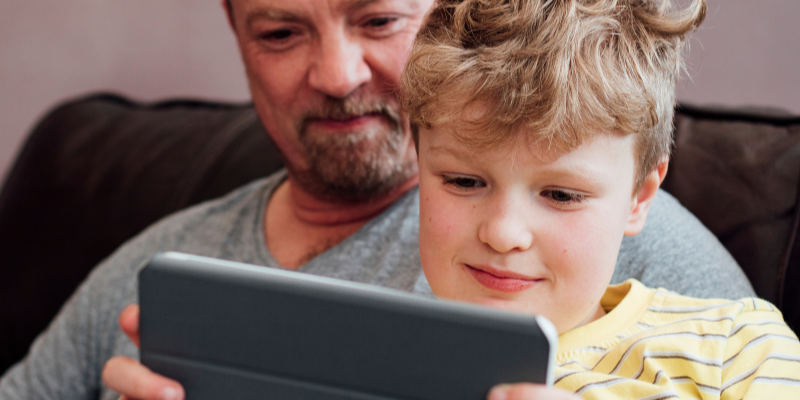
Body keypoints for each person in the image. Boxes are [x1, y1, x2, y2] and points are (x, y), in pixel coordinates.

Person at [0, 0, 754, 399]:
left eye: (379, 20)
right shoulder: (156, 263)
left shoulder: (621, 256)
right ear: (235, 31)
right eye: (280, 31)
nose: (334, 73)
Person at [400, 0, 800, 398]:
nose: (503, 233)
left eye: (561, 194)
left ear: (638, 198)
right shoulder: (369, 355)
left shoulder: (735, 349)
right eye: (464, 182)